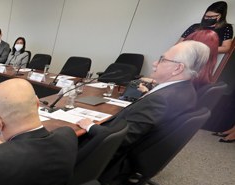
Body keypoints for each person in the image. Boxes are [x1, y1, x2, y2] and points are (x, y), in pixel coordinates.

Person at [76, 41, 210, 173]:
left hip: (106, 154)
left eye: (162, 60)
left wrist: (90, 126)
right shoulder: (186, 91)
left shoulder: (160, 99)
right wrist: (147, 93)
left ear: (178, 68)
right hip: (137, 149)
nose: (154, 63)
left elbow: (122, 139)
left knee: (62, 136)